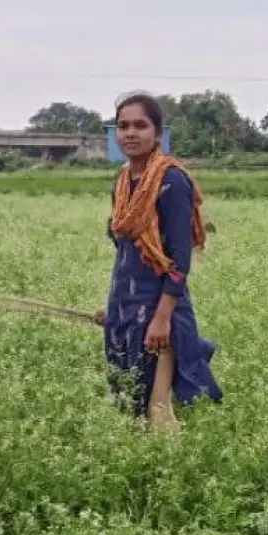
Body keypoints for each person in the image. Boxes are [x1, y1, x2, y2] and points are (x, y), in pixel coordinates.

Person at [93, 92, 223, 428]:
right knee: (132, 407)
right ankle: (144, 472)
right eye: (123, 126)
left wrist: (162, 319)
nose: (130, 133)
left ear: (157, 132)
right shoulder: (123, 182)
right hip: (126, 308)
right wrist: (114, 310)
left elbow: (179, 260)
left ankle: (173, 475)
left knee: (158, 407)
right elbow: (127, 257)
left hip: (159, 310)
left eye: (140, 125)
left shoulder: (171, 181)